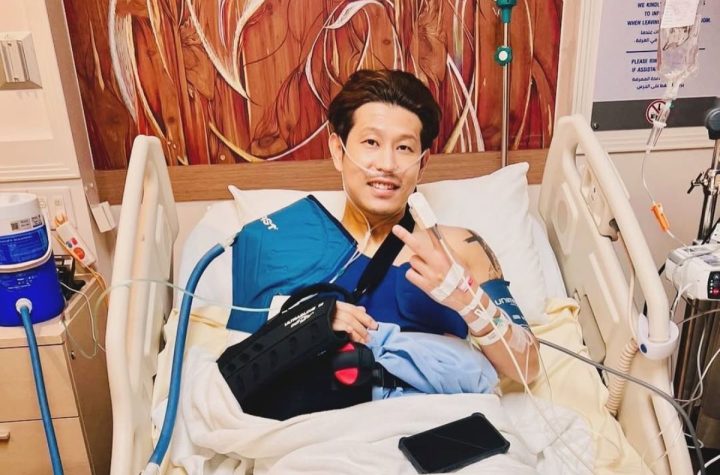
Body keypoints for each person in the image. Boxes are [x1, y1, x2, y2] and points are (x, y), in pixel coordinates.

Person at [321, 69, 539, 384]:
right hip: (340, 409)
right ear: (338, 151)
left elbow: (528, 367)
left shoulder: (459, 247)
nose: (387, 164)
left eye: (404, 148)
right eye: (371, 142)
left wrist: (469, 300)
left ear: (422, 164)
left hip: (446, 411)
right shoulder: (292, 248)